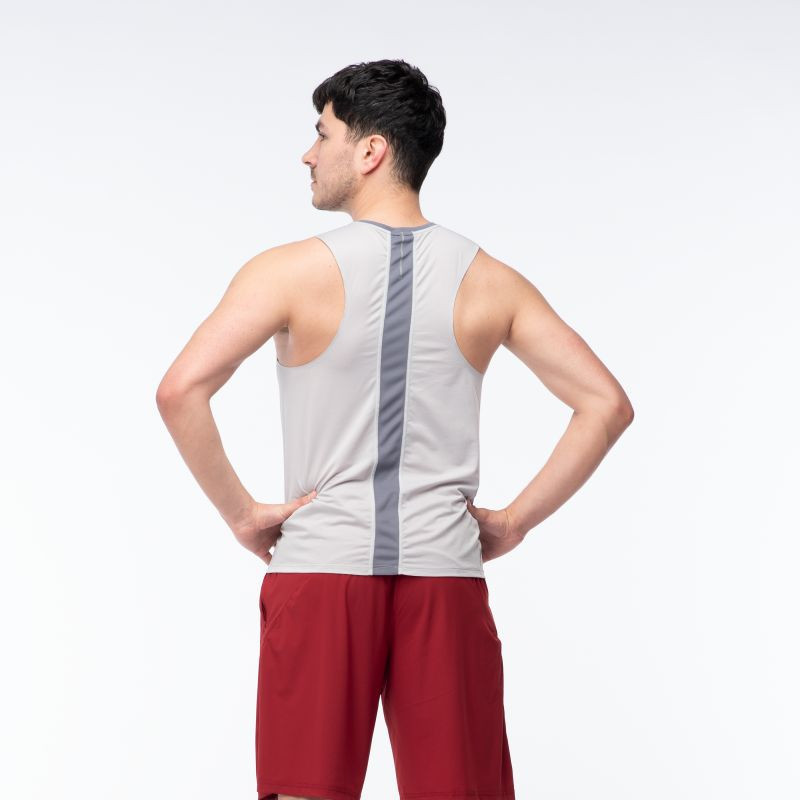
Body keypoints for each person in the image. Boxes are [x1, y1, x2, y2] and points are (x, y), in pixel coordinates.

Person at [156, 58, 634, 800]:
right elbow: (605, 404)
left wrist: (244, 516)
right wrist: (513, 524)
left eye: (323, 134)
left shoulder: (285, 272)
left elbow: (180, 389)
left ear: (371, 151)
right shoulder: (492, 281)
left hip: (320, 576)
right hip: (445, 579)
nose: (308, 154)